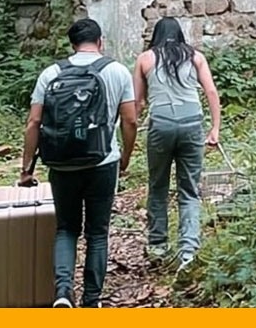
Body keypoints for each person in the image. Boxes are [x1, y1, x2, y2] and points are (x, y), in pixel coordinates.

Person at [19, 18, 138, 308]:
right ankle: (92, 299)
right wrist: (125, 157)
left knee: (66, 228)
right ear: (100, 42)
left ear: (72, 45)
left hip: (62, 164)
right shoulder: (117, 71)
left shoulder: (51, 73)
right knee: (97, 231)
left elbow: (34, 122)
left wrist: (26, 170)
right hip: (103, 162)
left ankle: (62, 293)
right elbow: (130, 120)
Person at [133, 17, 223, 271]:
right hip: (192, 124)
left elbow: (137, 103)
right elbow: (211, 92)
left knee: (158, 185)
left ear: (156, 36)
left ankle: (158, 246)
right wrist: (214, 128)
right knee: (189, 189)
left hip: (160, 125)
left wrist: (131, 130)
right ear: (180, 34)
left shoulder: (145, 59)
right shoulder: (196, 57)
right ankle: (189, 251)